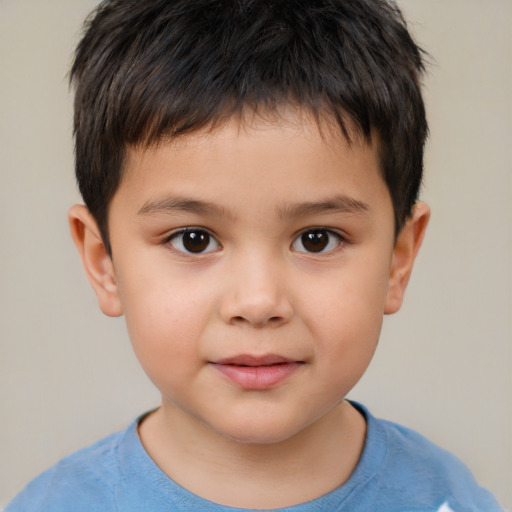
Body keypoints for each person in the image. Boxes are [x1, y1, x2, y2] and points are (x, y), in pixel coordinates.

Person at [5, 0, 503, 510]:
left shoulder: (449, 501)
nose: (259, 301)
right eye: (193, 239)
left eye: (317, 239)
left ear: (398, 260)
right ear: (102, 261)